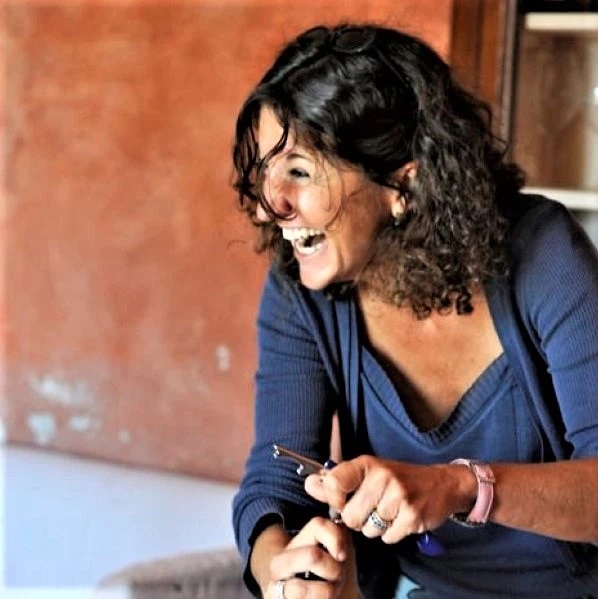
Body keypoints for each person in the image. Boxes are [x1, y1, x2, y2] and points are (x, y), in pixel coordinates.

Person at [230, 22, 598, 599]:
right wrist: (279, 566)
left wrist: (461, 486)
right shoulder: (299, 287)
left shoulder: (545, 256)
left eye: (299, 171)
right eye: (265, 172)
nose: (267, 207)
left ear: (402, 185)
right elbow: (275, 479)